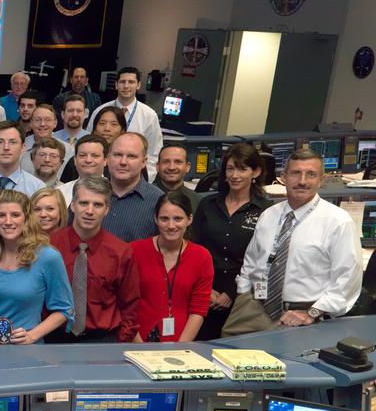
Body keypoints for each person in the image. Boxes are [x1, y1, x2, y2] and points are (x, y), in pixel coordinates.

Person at [235, 148, 361, 328]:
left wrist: (312, 313)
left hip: (304, 318)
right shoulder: (269, 215)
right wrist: (244, 296)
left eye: (310, 174)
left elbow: (347, 280)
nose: (302, 181)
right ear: (283, 177)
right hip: (256, 310)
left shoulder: (338, 222)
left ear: (321, 180)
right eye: (295, 173)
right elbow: (251, 261)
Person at [190, 143, 269, 339]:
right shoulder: (207, 204)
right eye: (230, 169)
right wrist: (207, 290)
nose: (235, 175)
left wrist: (230, 294)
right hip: (203, 289)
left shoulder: (266, 211)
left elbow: (262, 259)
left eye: (242, 169)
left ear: (256, 172)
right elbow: (193, 249)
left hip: (242, 295)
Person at [48, 176, 140, 343]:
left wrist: (120, 344)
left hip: (103, 341)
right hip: (54, 339)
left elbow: (130, 307)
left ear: (106, 209)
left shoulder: (121, 252)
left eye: (97, 204)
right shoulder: (49, 246)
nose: (90, 211)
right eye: (84, 203)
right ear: (73, 205)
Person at [0, 190, 73, 345]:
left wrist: (32, 336)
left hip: (28, 353)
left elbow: (64, 310)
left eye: (15, 215)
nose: (8, 221)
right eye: (1, 215)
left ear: (27, 219)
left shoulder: (47, 257)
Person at [131, 190, 213, 343]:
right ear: (155, 219)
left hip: (181, 341)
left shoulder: (202, 257)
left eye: (178, 219)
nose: (171, 225)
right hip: (136, 339)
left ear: (189, 220)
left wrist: (180, 348)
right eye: (164, 219)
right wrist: (139, 346)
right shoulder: (134, 251)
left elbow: (198, 309)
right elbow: (125, 304)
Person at [93, 67, 162, 178]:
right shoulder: (100, 111)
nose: (126, 86)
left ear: (138, 85)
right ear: (116, 85)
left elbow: (154, 152)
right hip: (99, 174)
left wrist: (145, 178)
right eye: (122, 82)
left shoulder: (149, 115)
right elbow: (89, 141)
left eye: (131, 82)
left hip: (135, 177)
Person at [104, 133, 163, 243]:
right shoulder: (89, 193)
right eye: (117, 155)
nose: (123, 162)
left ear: (144, 162)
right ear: (107, 158)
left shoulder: (159, 200)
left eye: (131, 156)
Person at [0, 121, 45, 201]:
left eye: (12, 142)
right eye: (0, 142)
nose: (6, 147)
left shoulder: (37, 188)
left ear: (23, 148)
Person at [58, 135, 109, 204]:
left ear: (105, 160)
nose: (88, 160)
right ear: (75, 160)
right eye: (82, 155)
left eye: (95, 156)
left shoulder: (114, 191)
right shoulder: (60, 192)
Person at [154, 142, 200, 213]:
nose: (171, 167)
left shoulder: (198, 202)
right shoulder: (146, 198)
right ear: (157, 166)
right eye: (166, 162)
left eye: (178, 162)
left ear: (187, 167)